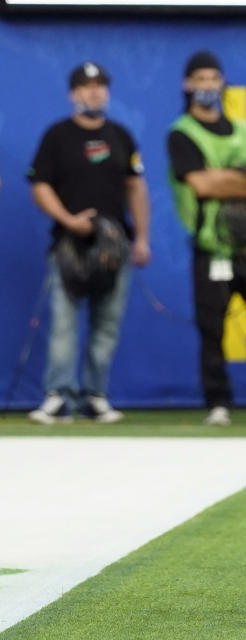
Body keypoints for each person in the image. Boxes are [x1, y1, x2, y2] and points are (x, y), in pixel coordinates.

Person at [167, 51, 246, 426]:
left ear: (222, 84)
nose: (207, 86)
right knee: (212, 328)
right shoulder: (182, 133)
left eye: (213, 78)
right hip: (212, 247)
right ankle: (218, 403)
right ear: (188, 85)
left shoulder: (243, 129)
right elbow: (200, 183)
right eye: (200, 79)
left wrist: (228, 180)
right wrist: (244, 178)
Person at [27, 61, 150, 424]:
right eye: (85, 86)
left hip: (113, 248)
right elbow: (40, 185)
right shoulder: (57, 136)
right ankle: (58, 397)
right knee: (64, 324)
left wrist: (141, 238)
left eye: (99, 86)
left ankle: (95, 396)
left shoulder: (121, 135)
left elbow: (136, 186)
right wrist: (68, 220)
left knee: (106, 324)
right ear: (73, 94)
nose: (93, 92)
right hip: (68, 246)